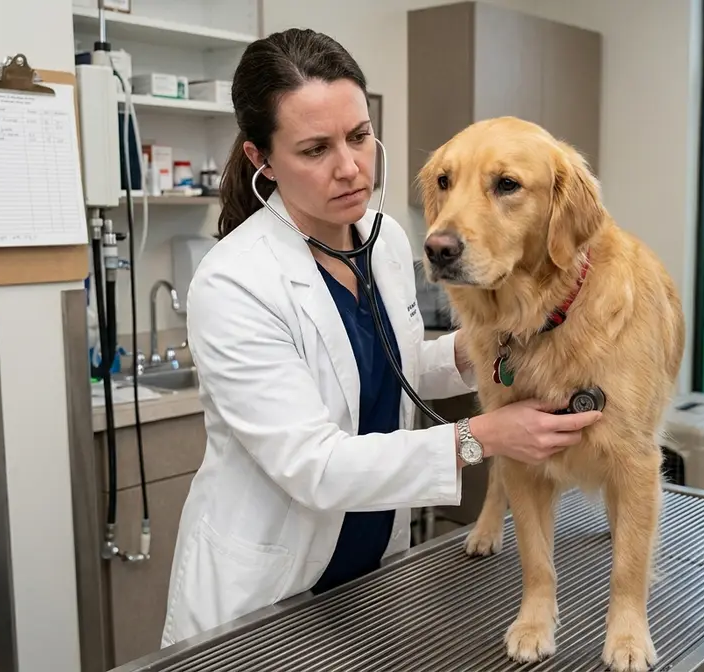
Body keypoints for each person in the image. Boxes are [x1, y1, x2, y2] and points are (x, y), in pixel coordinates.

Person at [159, 27, 604, 648]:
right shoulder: (234, 282)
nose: (350, 168)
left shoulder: (383, 237)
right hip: (266, 595)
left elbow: (386, 369)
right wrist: (482, 438)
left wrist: (495, 345)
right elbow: (315, 465)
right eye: (315, 150)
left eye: (359, 136)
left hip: (367, 571)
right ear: (262, 159)